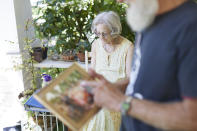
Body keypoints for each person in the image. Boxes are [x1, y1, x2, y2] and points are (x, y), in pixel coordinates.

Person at [80, 0, 197, 131]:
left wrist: (122, 103)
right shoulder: (147, 20)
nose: (119, 1)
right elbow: (140, 77)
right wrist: (113, 88)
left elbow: (193, 118)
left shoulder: (191, 27)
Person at [83, 11, 134, 131]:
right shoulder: (96, 45)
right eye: (97, 33)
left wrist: (111, 91)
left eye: (104, 34)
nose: (100, 37)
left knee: (101, 109)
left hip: (118, 95)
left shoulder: (128, 47)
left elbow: (130, 79)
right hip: (98, 93)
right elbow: (91, 74)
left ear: (114, 31)